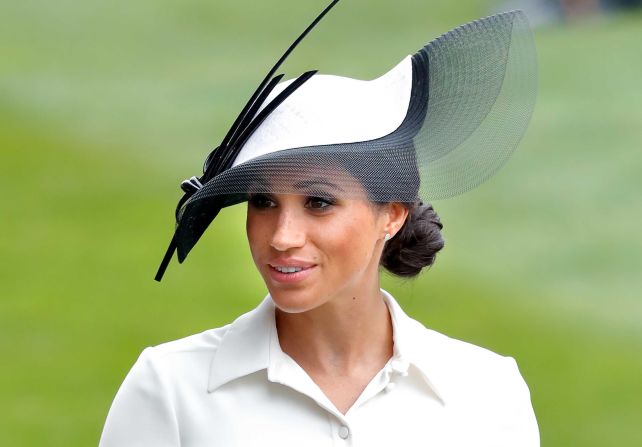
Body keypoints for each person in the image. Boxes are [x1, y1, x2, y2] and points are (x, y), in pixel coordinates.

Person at [99, 2, 539, 446]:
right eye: (264, 201)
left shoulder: (487, 393)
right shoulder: (170, 390)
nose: (282, 236)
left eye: (319, 202)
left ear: (392, 214)